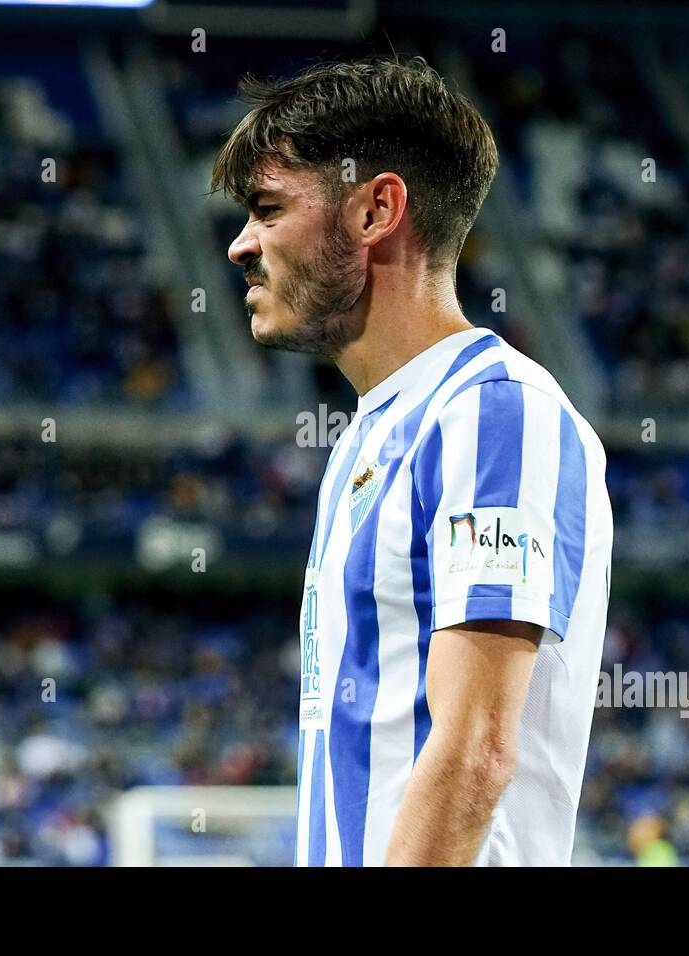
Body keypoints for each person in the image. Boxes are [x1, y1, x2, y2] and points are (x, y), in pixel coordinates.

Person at [212, 55, 612, 866]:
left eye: (267, 208)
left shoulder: (494, 413)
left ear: (375, 210)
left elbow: (476, 751)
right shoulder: (368, 436)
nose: (240, 246)